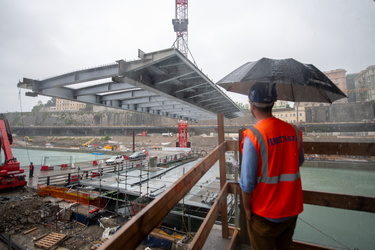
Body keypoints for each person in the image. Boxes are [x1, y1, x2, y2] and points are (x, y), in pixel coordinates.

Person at [240, 82, 304, 250]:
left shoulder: (253, 136)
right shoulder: (294, 131)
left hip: (264, 212)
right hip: (291, 209)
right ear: (273, 103)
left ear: (251, 105)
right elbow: (298, 161)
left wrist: (247, 210)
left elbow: (247, 183)